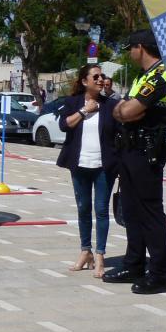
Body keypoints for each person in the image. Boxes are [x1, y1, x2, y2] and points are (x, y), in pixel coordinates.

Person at [104, 30, 166, 294]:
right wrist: (123, 111)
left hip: (147, 151)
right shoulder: (142, 77)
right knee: (131, 210)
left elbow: (128, 110)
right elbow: (121, 110)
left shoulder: (162, 76)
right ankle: (133, 264)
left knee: (150, 212)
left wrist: (125, 111)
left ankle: (159, 274)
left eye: (129, 48)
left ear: (141, 48)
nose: (129, 53)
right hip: (131, 148)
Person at [56, 64, 119, 277]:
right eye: (96, 76)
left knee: (101, 210)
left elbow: (119, 134)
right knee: (83, 209)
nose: (101, 79)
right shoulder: (72, 102)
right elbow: (64, 125)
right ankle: (86, 252)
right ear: (85, 81)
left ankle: (100, 256)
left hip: (104, 166)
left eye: (102, 76)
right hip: (79, 164)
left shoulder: (111, 105)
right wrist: (85, 110)